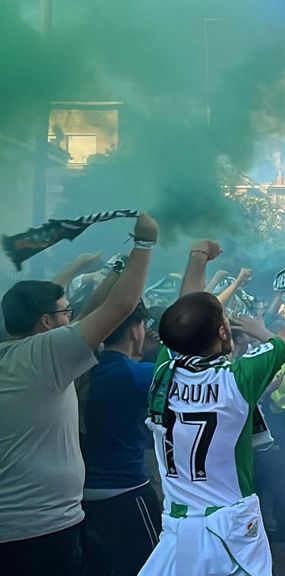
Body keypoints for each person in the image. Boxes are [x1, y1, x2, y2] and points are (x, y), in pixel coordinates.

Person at [139, 232, 285, 576]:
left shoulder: (163, 371)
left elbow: (187, 307)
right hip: (231, 527)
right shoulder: (238, 379)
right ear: (223, 334)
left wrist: (198, 255)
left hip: (177, 526)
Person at [0, 214, 159, 576]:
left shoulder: (20, 354)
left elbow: (89, 314)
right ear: (45, 323)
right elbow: (116, 308)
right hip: (40, 532)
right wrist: (144, 244)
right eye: (63, 312)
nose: (70, 317)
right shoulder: (43, 356)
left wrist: (116, 265)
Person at [80, 303, 163, 576]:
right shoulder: (134, 374)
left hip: (83, 495)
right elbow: (181, 372)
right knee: (151, 565)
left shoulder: (84, 370)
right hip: (125, 490)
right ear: (134, 331)